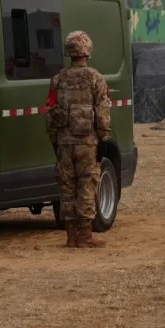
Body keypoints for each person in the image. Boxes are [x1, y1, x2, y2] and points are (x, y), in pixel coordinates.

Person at [45, 30, 113, 248]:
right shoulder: (95, 78)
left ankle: (71, 235)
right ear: (87, 51)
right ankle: (84, 235)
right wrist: (103, 136)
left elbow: (50, 111)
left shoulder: (58, 80)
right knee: (86, 183)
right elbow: (102, 110)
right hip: (86, 142)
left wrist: (55, 138)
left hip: (64, 143)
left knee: (67, 186)